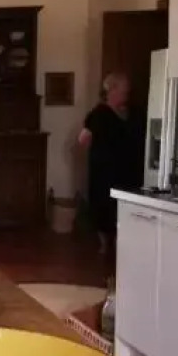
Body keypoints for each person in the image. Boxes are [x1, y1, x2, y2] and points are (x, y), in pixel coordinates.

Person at [78, 73, 140, 253]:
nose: (126, 94)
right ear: (111, 90)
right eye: (123, 90)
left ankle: (124, 242)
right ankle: (105, 244)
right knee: (104, 204)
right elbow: (83, 140)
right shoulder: (98, 114)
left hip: (129, 169)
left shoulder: (133, 112)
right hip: (105, 171)